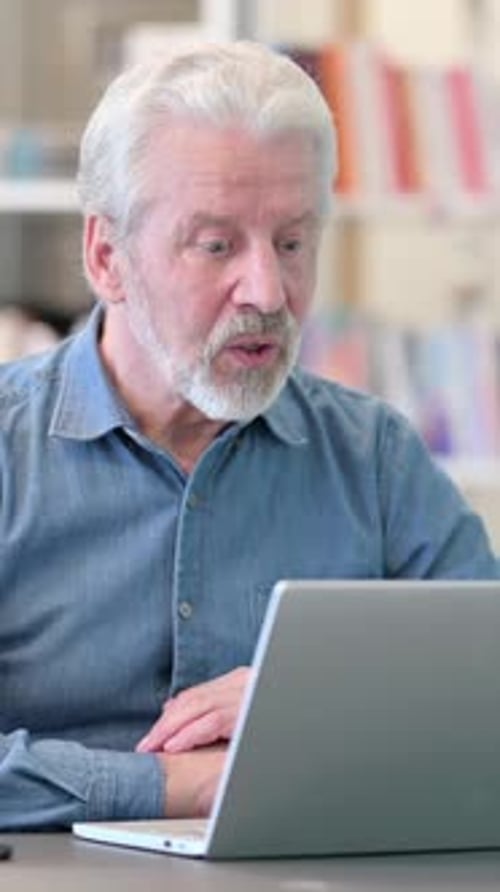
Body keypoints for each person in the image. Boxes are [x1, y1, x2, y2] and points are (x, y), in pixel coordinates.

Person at [0, 41, 497, 832]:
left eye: (293, 243)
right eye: (217, 245)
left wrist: (322, 700)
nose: (268, 291)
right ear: (107, 257)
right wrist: (176, 784)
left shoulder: (374, 460)